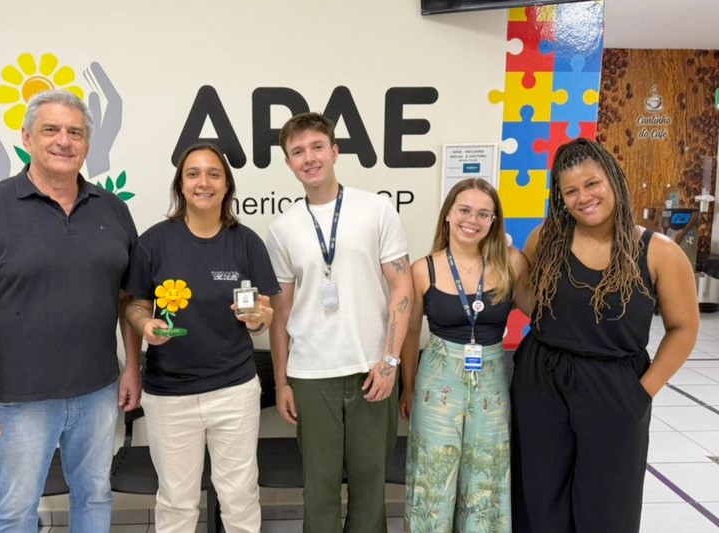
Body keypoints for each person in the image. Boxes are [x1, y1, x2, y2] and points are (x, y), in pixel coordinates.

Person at [0, 89, 141, 533]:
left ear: (88, 144)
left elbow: (128, 298)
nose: (64, 141)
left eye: (75, 132)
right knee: (16, 511)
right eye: (51, 130)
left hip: (97, 392)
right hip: (19, 400)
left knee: (94, 496)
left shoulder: (113, 209)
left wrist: (132, 367)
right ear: (27, 137)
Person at [510, 138, 699, 532]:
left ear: (613, 180)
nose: (584, 197)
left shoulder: (657, 252)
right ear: (560, 197)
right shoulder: (545, 239)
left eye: (592, 184)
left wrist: (641, 391)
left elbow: (684, 329)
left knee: (608, 505)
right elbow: (533, 305)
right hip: (543, 380)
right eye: (571, 190)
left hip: (615, 386)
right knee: (541, 496)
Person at [266, 112, 414, 533]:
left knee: (370, 488)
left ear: (334, 151)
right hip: (311, 375)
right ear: (289, 162)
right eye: (298, 152)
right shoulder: (281, 229)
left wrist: (389, 362)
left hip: (372, 369)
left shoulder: (376, 209)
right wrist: (281, 383)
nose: (309, 158)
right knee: (320, 489)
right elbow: (280, 312)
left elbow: (403, 289)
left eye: (316, 147)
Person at [124, 142, 279, 533]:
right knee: (176, 502)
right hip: (168, 395)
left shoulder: (246, 242)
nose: (203, 182)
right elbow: (133, 304)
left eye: (214, 174)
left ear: (227, 185)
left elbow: (263, 317)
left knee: (240, 498)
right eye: (193, 174)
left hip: (234, 391)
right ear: (181, 184)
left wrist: (260, 318)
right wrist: (145, 324)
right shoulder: (154, 242)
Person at [400, 177, 529, 532]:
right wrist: (407, 388)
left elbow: (539, 311)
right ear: (448, 215)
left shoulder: (511, 265)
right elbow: (411, 334)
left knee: (485, 475)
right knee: (434, 474)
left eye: (484, 214)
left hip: (490, 379)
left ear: (493, 222)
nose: (472, 220)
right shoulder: (423, 269)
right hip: (437, 379)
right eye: (465, 210)